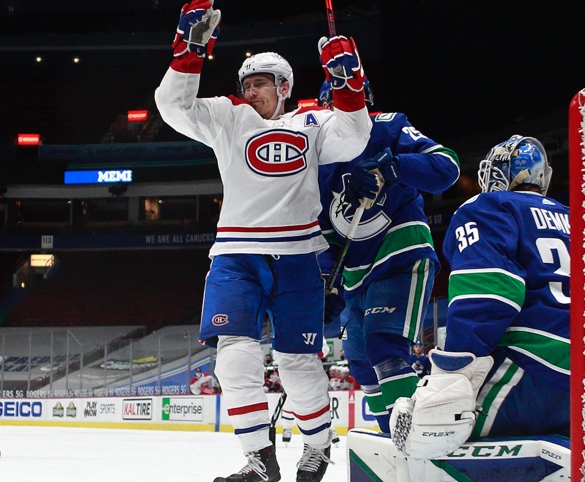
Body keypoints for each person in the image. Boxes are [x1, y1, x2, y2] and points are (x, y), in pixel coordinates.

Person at [155, 2, 372, 481]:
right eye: (246, 83)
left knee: (297, 364)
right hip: (235, 255)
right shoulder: (229, 117)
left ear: (285, 88)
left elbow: (356, 138)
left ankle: (317, 448)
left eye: (261, 83)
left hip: (299, 257)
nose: (249, 90)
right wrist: (189, 52)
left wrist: (348, 83)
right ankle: (259, 459)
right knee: (233, 358)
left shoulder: (313, 123)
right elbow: (173, 106)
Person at [390, 135, 570, 460]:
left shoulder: (490, 206)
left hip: (532, 368)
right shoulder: (574, 218)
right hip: (577, 377)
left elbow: (489, 292)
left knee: (434, 444)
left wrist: (455, 368)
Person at [317, 79, 460, 434]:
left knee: (385, 346)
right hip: (354, 276)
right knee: (362, 363)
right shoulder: (317, 157)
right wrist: (326, 283)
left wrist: (393, 167)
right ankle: (391, 445)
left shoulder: (389, 126)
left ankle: (414, 445)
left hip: (399, 256)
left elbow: (447, 167)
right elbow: (321, 230)